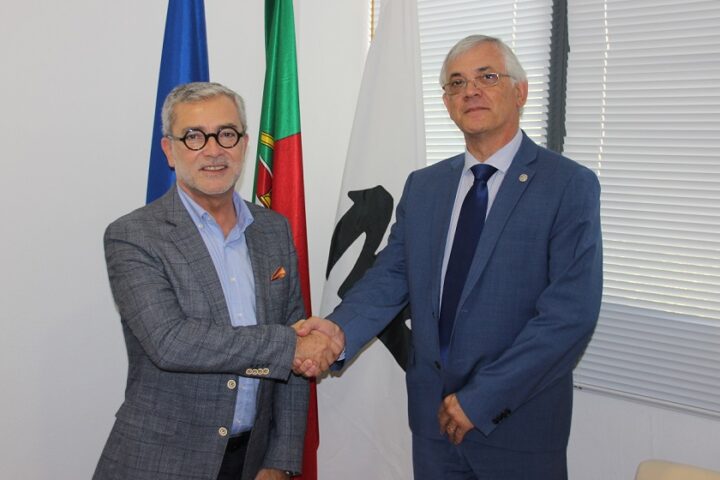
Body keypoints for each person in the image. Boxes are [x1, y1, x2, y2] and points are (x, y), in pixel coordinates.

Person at [297, 35, 603, 479]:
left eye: (487, 77)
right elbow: (392, 276)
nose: (470, 91)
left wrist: (480, 400)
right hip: (432, 425)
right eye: (456, 83)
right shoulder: (425, 186)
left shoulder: (567, 185)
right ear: (446, 102)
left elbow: (569, 316)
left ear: (520, 91)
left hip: (517, 425)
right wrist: (337, 332)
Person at [94, 82, 339, 480]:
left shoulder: (273, 230)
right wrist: (290, 345)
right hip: (160, 463)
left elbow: (294, 351)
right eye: (194, 136)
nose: (213, 150)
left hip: (251, 461)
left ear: (244, 144)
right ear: (169, 150)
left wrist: (279, 460)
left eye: (226, 134)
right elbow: (171, 342)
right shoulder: (134, 236)